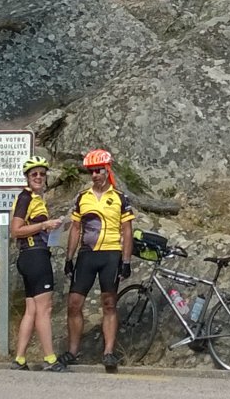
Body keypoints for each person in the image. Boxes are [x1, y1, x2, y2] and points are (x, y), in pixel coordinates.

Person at [60, 148, 135, 369]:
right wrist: (69, 258)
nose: (94, 175)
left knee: (109, 303)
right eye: (91, 171)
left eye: (98, 170)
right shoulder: (82, 198)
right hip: (86, 255)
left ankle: (109, 352)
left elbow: (127, 230)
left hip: (111, 254)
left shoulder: (120, 198)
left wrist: (127, 260)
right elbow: (75, 228)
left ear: (107, 170)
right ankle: (73, 351)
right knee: (74, 304)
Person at [10, 155, 67, 372]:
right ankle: (50, 359)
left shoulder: (35, 199)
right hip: (35, 257)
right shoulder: (25, 198)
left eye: (42, 174)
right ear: (27, 177)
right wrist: (44, 224)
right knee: (45, 309)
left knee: (32, 310)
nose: (39, 177)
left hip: (30, 256)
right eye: (34, 174)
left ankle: (20, 358)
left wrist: (50, 226)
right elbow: (15, 230)